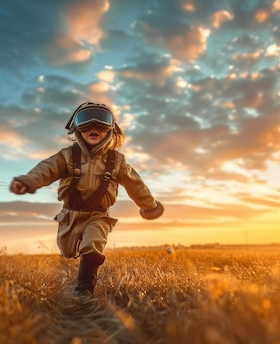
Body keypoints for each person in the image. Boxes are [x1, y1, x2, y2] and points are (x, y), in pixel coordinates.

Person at [10, 101, 164, 298]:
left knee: (92, 245)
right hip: (69, 215)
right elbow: (46, 169)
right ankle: (77, 261)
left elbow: (136, 184)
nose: (93, 127)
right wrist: (28, 181)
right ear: (76, 128)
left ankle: (84, 291)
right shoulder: (67, 156)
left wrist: (149, 206)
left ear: (111, 129)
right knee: (67, 250)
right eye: (86, 121)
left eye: (101, 121)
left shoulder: (117, 161)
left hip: (99, 215)